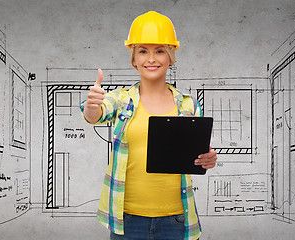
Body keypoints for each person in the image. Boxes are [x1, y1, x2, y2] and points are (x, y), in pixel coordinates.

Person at [80, 11, 217, 240]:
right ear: (134, 59)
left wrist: (209, 158)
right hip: (128, 220)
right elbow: (96, 114)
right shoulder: (121, 99)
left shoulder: (188, 105)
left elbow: (199, 153)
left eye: (160, 51)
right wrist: (92, 106)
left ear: (170, 57)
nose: (151, 58)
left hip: (177, 219)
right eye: (143, 51)